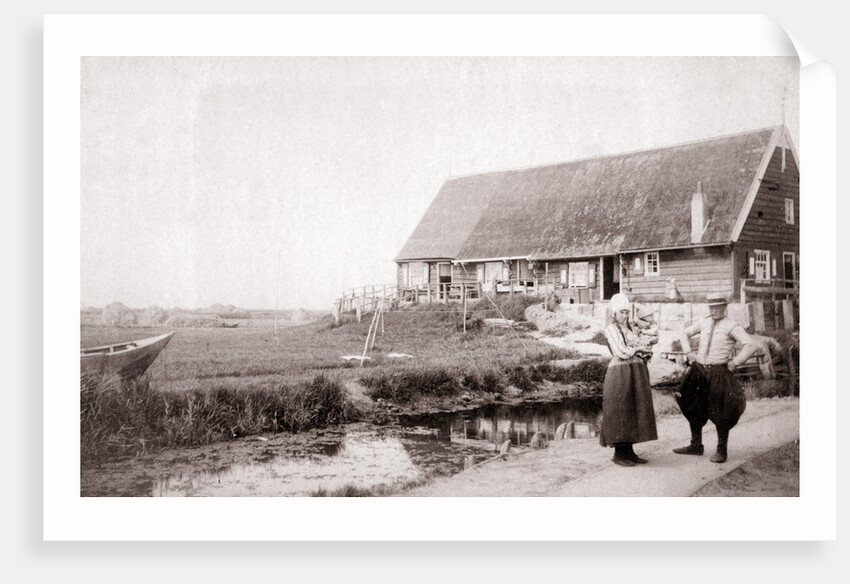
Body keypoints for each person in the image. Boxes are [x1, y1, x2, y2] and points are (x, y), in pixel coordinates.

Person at [673, 294, 760, 463]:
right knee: (692, 405)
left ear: (724, 307)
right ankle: (696, 445)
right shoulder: (703, 322)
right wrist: (689, 353)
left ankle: (721, 450)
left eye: (718, 307)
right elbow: (683, 334)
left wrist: (735, 362)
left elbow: (751, 345)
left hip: (718, 371)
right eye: (711, 308)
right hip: (698, 371)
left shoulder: (732, 326)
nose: (714, 311)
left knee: (722, 409)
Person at [599, 293, 658, 466]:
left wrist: (642, 347)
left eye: (627, 312)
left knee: (634, 409)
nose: (625, 316)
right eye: (622, 312)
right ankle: (619, 454)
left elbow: (648, 338)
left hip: (636, 371)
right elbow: (620, 351)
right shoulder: (611, 329)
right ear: (615, 313)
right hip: (620, 373)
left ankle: (630, 452)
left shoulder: (632, 327)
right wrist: (639, 349)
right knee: (621, 410)